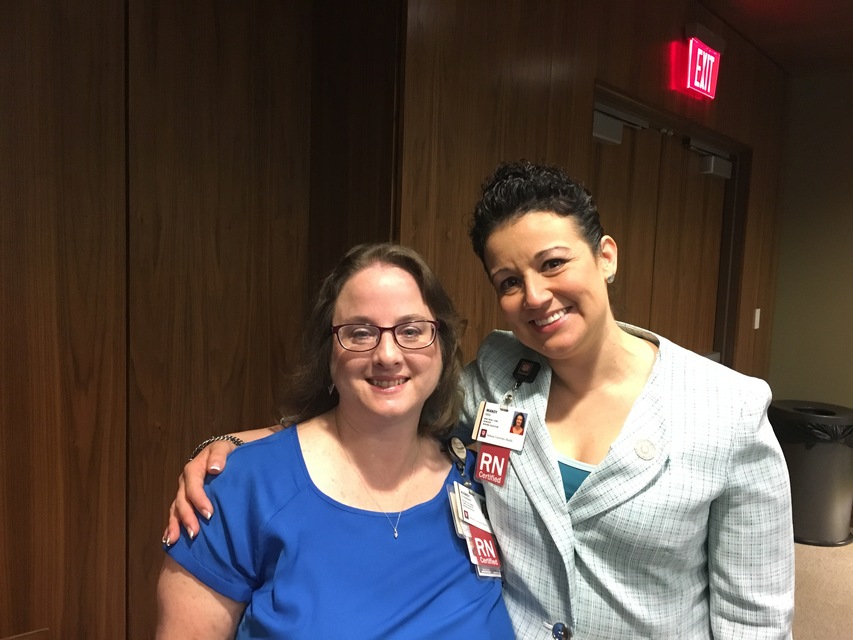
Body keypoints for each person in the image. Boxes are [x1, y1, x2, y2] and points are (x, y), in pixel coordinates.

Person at [166, 161, 795, 639]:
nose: (536, 296)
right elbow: (387, 399)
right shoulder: (497, 378)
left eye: (554, 263)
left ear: (605, 256)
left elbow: (756, 619)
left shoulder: (728, 412)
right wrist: (236, 447)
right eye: (509, 281)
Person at [156, 243, 514, 638]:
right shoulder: (242, 489)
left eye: (412, 330)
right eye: (360, 333)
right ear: (328, 352)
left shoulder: (478, 479)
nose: (388, 355)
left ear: (442, 346)